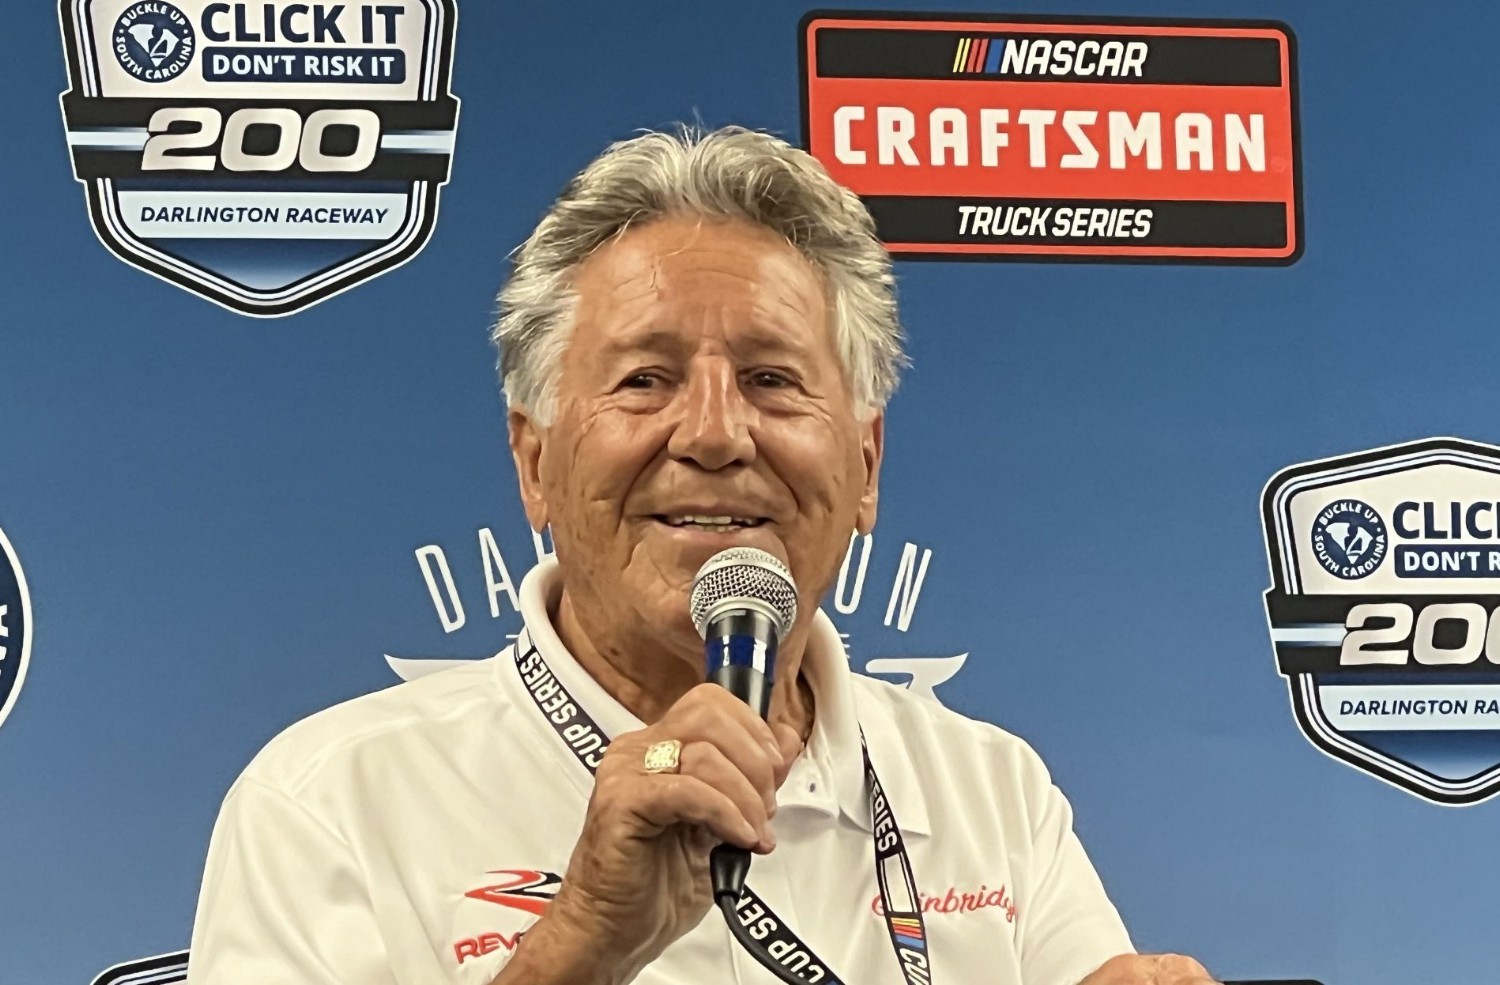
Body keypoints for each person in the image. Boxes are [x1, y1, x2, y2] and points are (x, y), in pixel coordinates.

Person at [187, 126, 1218, 985]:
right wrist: (580, 941)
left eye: (773, 378)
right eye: (644, 379)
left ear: (864, 465)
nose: (717, 432)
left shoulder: (992, 788)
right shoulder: (328, 801)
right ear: (534, 460)